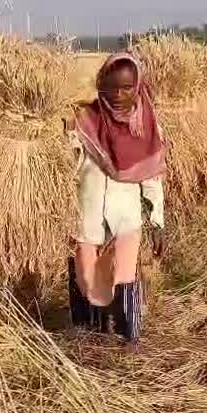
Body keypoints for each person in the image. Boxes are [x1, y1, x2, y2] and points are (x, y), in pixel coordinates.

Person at [67, 52, 168, 343]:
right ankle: (88, 334)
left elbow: (151, 178)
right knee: (85, 274)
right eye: (112, 87)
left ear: (137, 87)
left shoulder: (146, 126)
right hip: (87, 211)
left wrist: (157, 222)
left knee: (124, 274)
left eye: (126, 87)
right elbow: (65, 167)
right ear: (101, 85)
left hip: (126, 216)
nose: (119, 94)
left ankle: (129, 337)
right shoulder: (83, 121)